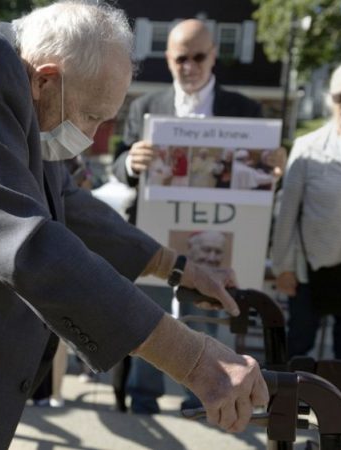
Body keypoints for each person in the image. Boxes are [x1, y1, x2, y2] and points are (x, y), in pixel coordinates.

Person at [0, 3, 270, 448]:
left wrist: (178, 267)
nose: (92, 137)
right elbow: (22, 240)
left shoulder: (20, 75)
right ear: (45, 80)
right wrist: (193, 358)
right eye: (92, 116)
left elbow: (67, 205)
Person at [112, 18, 267, 414]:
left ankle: (201, 403)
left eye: (199, 56)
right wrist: (131, 160)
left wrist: (270, 168)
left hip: (216, 243)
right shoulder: (147, 107)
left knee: (207, 321)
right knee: (149, 321)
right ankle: (143, 401)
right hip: (155, 241)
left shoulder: (246, 110)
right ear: (168, 58)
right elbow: (116, 166)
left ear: (213, 56)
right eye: (182, 57)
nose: (190, 66)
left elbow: (263, 179)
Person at [271, 60, 341, 404]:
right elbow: (286, 215)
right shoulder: (308, 148)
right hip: (307, 270)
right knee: (299, 345)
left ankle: (340, 420)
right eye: (339, 96)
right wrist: (283, 267)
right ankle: (286, 411)